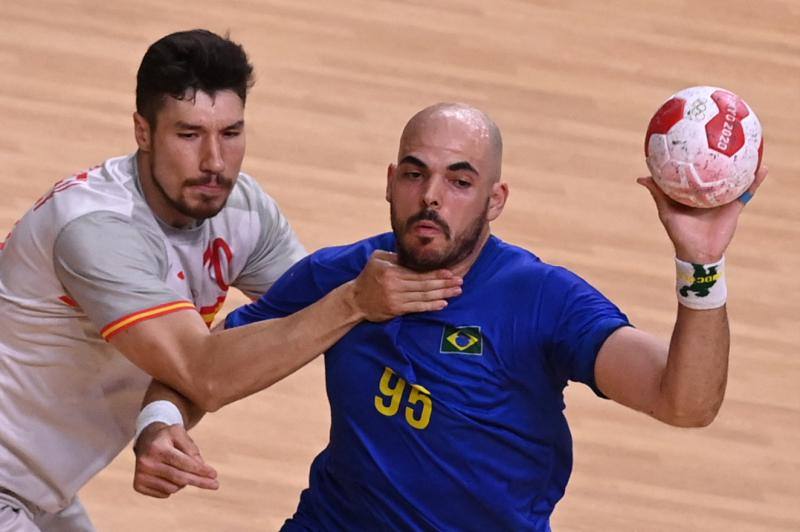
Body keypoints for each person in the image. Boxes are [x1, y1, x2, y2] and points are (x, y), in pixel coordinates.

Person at [134, 102, 767, 530]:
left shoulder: (541, 299)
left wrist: (700, 265)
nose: (431, 196)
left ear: (496, 201)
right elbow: (200, 368)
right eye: (415, 174)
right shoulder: (343, 277)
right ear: (389, 182)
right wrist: (161, 425)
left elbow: (685, 403)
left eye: (460, 182)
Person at [0, 31, 461, 532]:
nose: (215, 162)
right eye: (189, 134)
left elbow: (311, 319)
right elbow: (206, 371)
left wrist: (163, 418)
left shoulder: (242, 210)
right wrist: (353, 300)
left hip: (35, 489)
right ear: (143, 131)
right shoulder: (95, 230)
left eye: (231, 133)